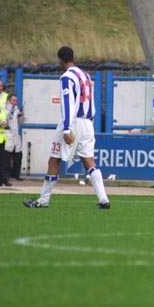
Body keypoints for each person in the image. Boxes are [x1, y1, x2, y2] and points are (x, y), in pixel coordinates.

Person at [23, 46, 110, 209]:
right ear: (73, 57)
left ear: (59, 60)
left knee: (54, 159)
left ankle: (43, 200)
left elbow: (68, 103)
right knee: (89, 161)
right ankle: (103, 199)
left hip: (73, 122)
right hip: (88, 123)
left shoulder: (66, 77)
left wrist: (66, 129)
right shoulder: (85, 75)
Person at [5, 94, 25, 181]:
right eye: (13, 101)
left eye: (16, 101)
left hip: (16, 134)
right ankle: (6, 174)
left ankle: (16, 174)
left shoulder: (16, 109)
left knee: (18, 155)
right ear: (9, 101)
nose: (15, 103)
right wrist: (10, 107)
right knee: (7, 156)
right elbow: (6, 116)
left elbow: (19, 122)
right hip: (8, 134)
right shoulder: (4, 108)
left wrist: (20, 115)